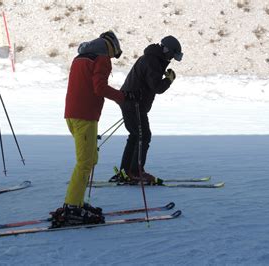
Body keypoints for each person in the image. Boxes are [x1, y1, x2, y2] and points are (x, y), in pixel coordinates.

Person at [51, 31, 133, 227]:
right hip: (85, 116)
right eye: (114, 54)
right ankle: (72, 206)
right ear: (111, 46)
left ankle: (77, 202)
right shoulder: (102, 59)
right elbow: (99, 87)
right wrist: (124, 96)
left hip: (72, 115)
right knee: (85, 163)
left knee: (90, 159)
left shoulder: (80, 57)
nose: (112, 58)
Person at [112, 35, 183, 185]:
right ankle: (135, 172)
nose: (171, 59)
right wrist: (168, 80)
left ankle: (126, 171)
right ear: (166, 50)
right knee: (143, 136)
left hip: (130, 101)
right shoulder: (153, 61)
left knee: (135, 135)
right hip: (133, 102)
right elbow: (157, 87)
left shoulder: (151, 58)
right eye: (171, 55)